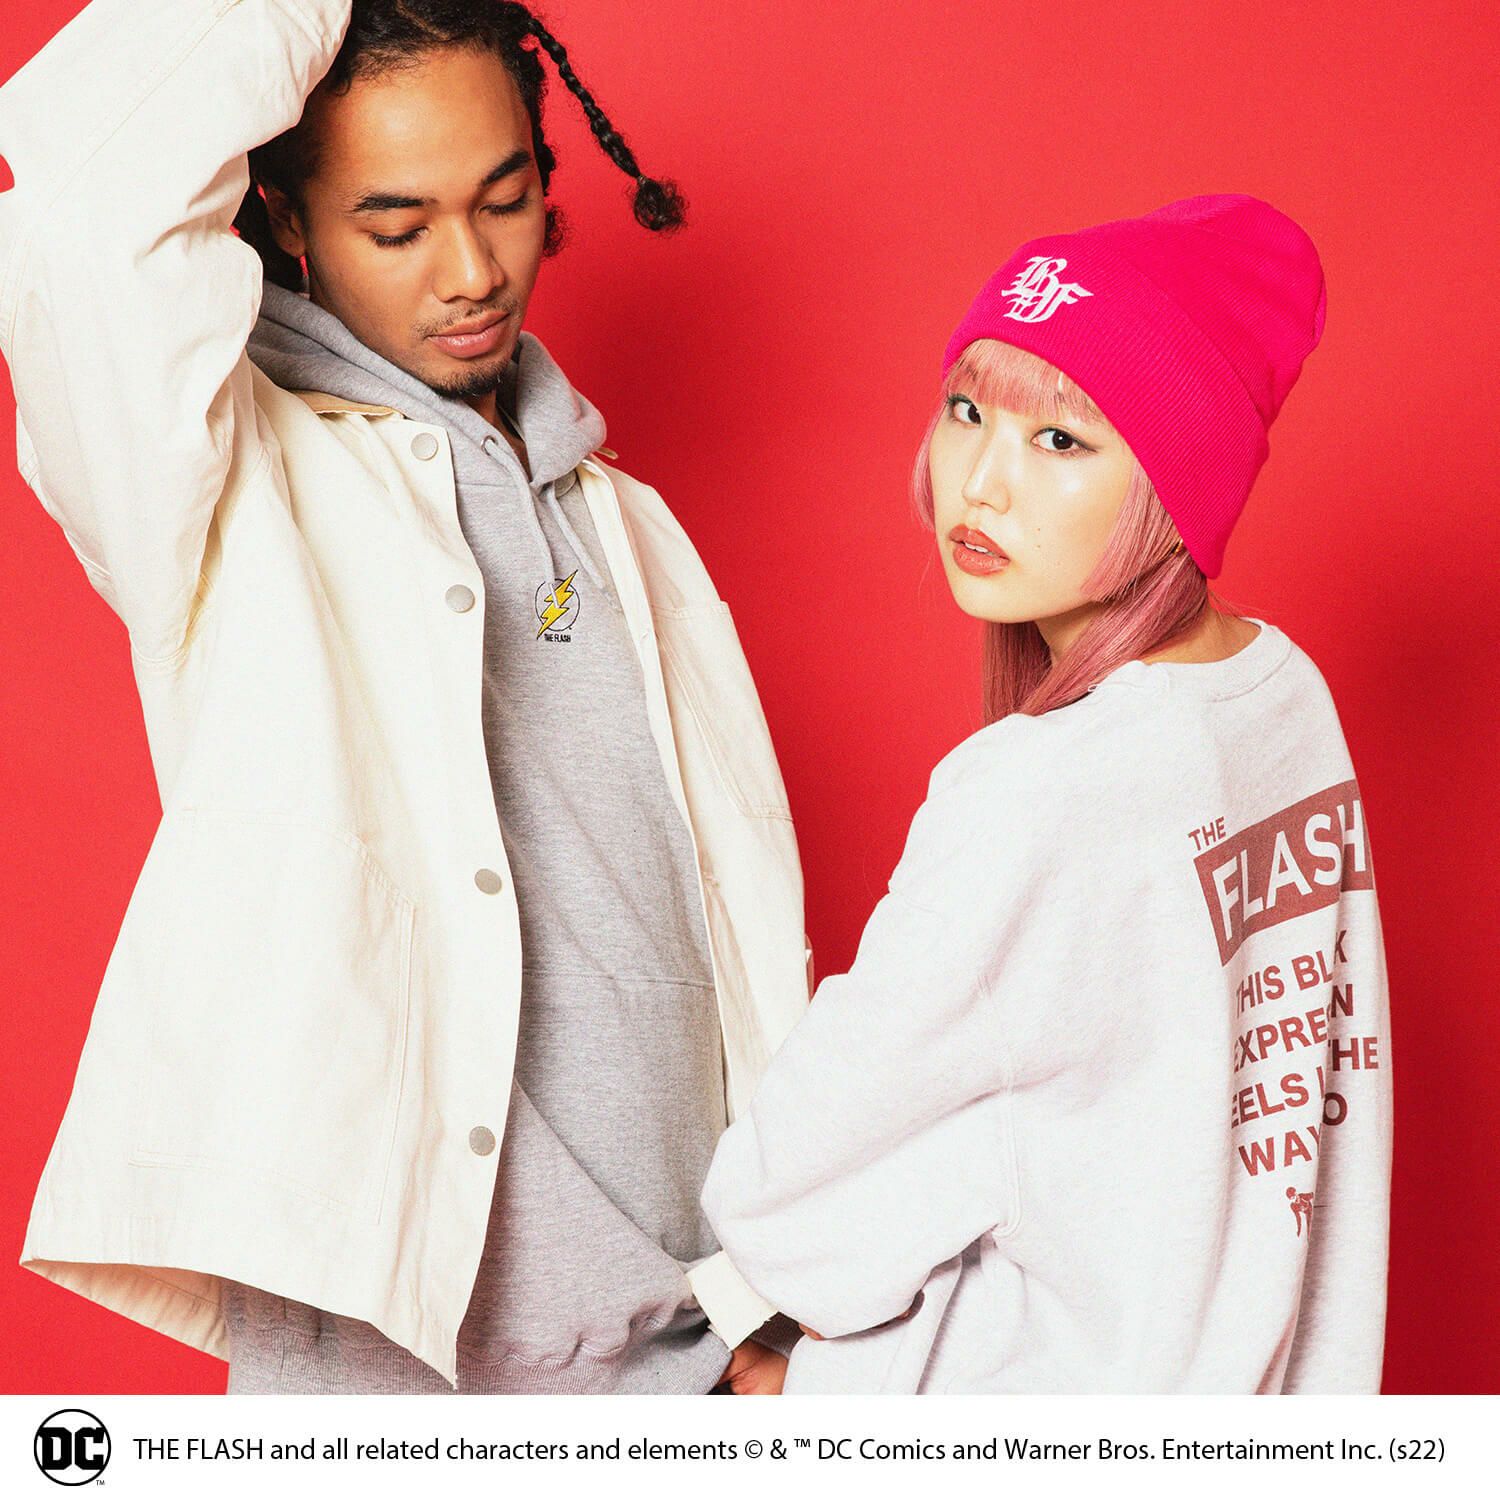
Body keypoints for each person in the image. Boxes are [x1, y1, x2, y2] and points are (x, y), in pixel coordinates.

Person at [1, 0, 810, 1394]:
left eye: (505, 201)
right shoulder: (224, 477)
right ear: (288, 222)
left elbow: (733, 951)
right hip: (393, 1364)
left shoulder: (629, 523)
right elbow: (82, 200)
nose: (472, 272)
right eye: (397, 226)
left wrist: (777, 1301)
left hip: (690, 1350)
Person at [700, 194, 1394, 1394]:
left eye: (1061, 441)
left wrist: (797, 1333)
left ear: (1179, 484)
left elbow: (787, 1191)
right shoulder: (1284, 696)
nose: (980, 482)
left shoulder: (1036, 791)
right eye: (968, 411)